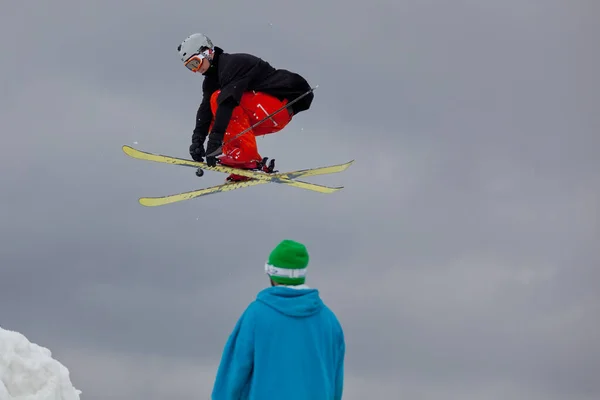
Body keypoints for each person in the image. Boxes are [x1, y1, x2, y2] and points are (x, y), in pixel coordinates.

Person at [211, 239, 345, 400]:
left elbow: (232, 377)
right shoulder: (329, 322)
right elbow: (336, 383)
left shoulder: (255, 315)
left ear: (272, 274)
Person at [177, 33, 315, 181]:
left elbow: (228, 101)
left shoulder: (232, 64)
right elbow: (205, 112)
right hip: (266, 118)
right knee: (213, 110)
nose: (196, 70)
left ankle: (245, 156)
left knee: (219, 100)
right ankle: (243, 164)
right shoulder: (211, 81)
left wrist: (214, 141)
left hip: (276, 107)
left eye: (195, 63)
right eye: (190, 67)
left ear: (207, 52)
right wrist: (197, 141)